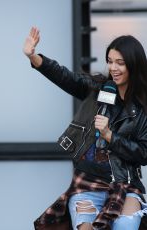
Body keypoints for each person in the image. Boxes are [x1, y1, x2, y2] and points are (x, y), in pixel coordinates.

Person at [23, 27, 147, 230]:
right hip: (86, 183)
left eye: (120, 63)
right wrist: (33, 57)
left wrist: (110, 136)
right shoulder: (100, 89)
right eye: (110, 61)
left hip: (124, 185)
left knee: (125, 226)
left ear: (134, 65)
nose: (113, 68)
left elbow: (143, 153)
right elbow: (66, 77)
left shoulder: (142, 107)